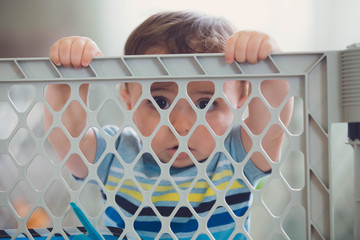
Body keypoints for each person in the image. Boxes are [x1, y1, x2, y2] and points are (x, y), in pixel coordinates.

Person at [45, 11, 292, 240]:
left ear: (241, 99)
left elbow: (274, 119)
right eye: (160, 102)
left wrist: (268, 62)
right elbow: (69, 142)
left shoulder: (237, 155)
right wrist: (66, 80)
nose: (181, 126)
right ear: (128, 98)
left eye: (205, 103)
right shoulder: (118, 152)